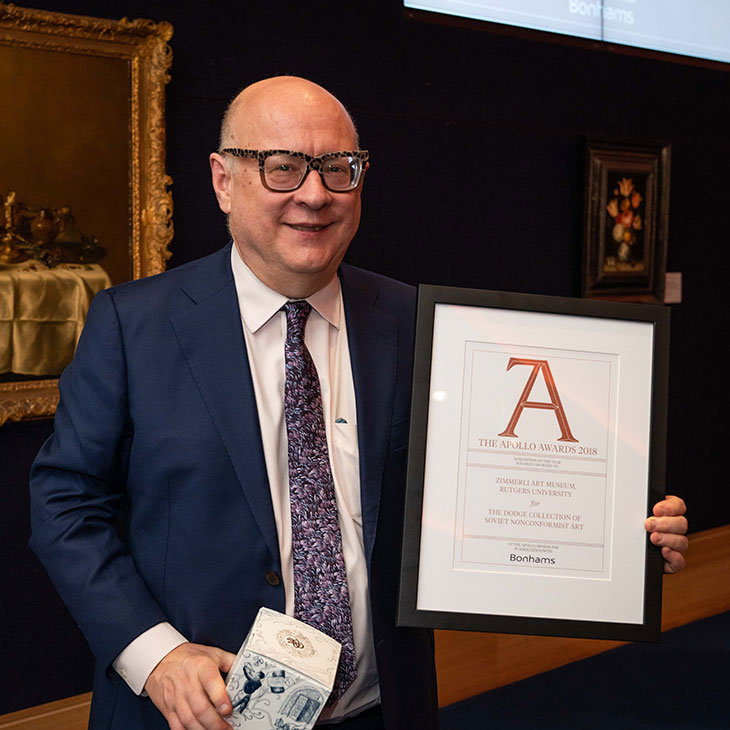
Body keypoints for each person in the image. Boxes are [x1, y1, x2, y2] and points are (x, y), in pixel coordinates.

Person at [29, 76, 688, 730]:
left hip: (380, 709)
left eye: (339, 169)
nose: (314, 195)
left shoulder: (418, 323)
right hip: (198, 714)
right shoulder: (131, 324)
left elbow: (493, 482)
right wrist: (158, 656)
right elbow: (65, 504)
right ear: (223, 180)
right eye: (283, 168)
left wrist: (616, 531)